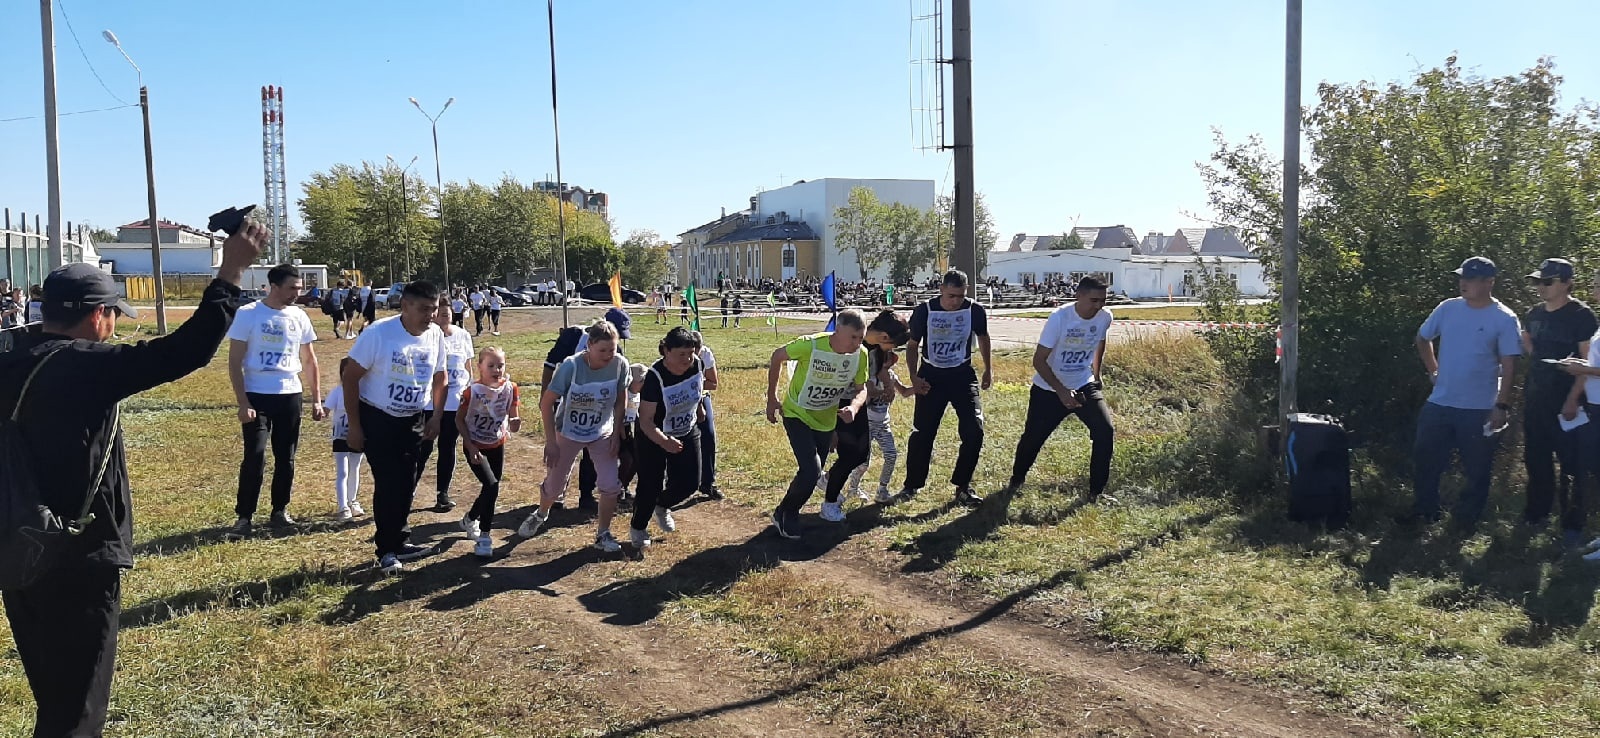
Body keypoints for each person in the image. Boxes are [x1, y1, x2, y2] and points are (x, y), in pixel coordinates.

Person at [0, 221, 263, 737]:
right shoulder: (84, 366)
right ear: (97, 315)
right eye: (113, 314)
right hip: (76, 554)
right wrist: (230, 271)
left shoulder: (12, 358)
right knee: (78, 707)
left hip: (16, 542)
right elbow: (184, 352)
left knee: (54, 692)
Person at [1406, 256, 1522, 530]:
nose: (1463, 283)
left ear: (1489, 282)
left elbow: (1510, 365)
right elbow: (1422, 338)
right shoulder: (1448, 308)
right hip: (1440, 402)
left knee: (1477, 468)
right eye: (1462, 277)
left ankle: (1466, 520)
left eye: (1470, 279)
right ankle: (1425, 511)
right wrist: (1433, 371)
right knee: (1425, 459)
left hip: (1479, 408)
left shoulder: (1504, 318)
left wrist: (1501, 405)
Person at [343, 281, 449, 573]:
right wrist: (354, 426)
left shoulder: (435, 335)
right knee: (389, 482)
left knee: (407, 481)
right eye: (424, 309)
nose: (430, 315)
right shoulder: (379, 334)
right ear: (405, 306)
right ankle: (386, 550)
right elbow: (350, 377)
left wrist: (436, 416)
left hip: (413, 418)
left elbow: (440, 377)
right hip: (379, 417)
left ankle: (400, 541)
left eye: (434, 309)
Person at [225, 264, 324, 540]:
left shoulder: (299, 316)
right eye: (292, 288)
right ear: (274, 286)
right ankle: (244, 517)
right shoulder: (249, 314)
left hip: (289, 394)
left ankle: (279, 510)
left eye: (299, 288)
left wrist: (316, 399)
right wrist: (243, 402)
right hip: (257, 394)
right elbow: (234, 361)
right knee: (255, 455)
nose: (297, 293)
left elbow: (309, 360)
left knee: (286, 457)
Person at [518, 322, 630, 551]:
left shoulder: (620, 365)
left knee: (610, 485)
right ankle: (541, 513)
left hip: (601, 432)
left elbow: (621, 399)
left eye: (612, 349)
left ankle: (603, 534)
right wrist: (551, 442)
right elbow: (546, 403)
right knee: (555, 487)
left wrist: (617, 432)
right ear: (589, 345)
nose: (608, 355)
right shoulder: (571, 366)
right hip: (569, 431)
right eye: (602, 350)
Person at [1005, 276, 1115, 500]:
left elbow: (1099, 342)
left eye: (1103, 300)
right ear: (1079, 296)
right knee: (1033, 438)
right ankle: (1016, 481)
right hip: (1048, 388)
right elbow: (1038, 361)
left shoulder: (1105, 317)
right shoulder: (1060, 318)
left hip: (1083, 383)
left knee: (1105, 431)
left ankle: (1096, 492)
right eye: (1094, 300)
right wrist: (1062, 391)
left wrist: (1097, 374)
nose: (1098, 306)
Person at [766, 309, 870, 538]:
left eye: (861, 338)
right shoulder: (810, 345)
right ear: (838, 330)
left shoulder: (860, 355)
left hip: (825, 421)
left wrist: (854, 407)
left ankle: (783, 511)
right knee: (812, 470)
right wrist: (772, 398)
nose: (857, 343)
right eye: (853, 337)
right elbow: (777, 356)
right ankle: (788, 513)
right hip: (796, 413)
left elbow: (862, 389)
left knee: (811, 474)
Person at [1518, 258, 1597, 546]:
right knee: (1535, 458)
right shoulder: (1535, 312)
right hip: (1536, 397)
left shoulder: (1582, 316)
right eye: (1538, 282)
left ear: (1566, 283)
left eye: (1547, 282)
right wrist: (1534, 353)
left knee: (1571, 465)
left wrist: (1573, 398)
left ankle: (1571, 525)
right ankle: (1536, 514)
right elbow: (1527, 338)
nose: (1541, 287)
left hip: (1567, 402)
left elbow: (1587, 362)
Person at [897, 269, 992, 507]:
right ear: (941, 290)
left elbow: (983, 337)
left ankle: (963, 486)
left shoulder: (974, 310)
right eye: (951, 296)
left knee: (974, 430)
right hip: (931, 376)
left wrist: (988, 369)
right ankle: (912, 485)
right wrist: (913, 377)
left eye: (960, 296)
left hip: (962, 375)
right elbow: (912, 345)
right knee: (923, 432)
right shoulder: (925, 311)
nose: (955, 301)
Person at [628, 327, 705, 549]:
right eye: (681, 354)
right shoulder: (654, 378)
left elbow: (696, 388)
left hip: (686, 428)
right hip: (652, 434)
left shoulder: (697, 365)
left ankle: (662, 505)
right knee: (650, 484)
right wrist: (664, 441)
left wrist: (699, 408)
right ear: (666, 351)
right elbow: (645, 420)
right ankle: (638, 527)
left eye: (690, 353)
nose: (687, 359)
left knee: (691, 483)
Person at [458, 346, 523, 557]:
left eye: (500, 365)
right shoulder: (472, 392)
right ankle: (484, 537)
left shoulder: (510, 388)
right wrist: (470, 445)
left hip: (496, 444)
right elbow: (459, 419)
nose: (497, 370)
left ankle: (470, 519)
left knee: (491, 487)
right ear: (480, 367)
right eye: (491, 365)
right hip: (475, 445)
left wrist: (515, 422)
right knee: (491, 485)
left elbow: (513, 415)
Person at [845, 311, 915, 502]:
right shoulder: (858, 347)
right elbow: (862, 386)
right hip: (862, 419)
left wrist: (893, 385)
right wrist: (880, 392)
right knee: (861, 461)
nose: (891, 353)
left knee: (890, 455)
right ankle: (846, 487)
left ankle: (881, 490)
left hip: (882, 423)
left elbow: (900, 387)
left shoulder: (878, 354)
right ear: (884, 337)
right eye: (892, 347)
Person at [417, 293, 475, 512]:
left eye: (447, 311)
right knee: (423, 447)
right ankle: (407, 489)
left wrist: (470, 392)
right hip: (429, 404)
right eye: (439, 312)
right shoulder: (425, 336)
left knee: (447, 447)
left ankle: (442, 494)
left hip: (454, 403)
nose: (444, 315)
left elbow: (468, 367)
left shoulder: (462, 335)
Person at [323, 358, 367, 521]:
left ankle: (352, 501)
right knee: (343, 471)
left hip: (358, 435)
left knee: (354, 468)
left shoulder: (364, 392)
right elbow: (326, 409)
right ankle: (343, 507)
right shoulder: (337, 392)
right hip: (340, 436)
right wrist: (321, 411)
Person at [695, 333, 723, 500]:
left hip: (701, 395)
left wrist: (695, 382)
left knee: (709, 436)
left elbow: (713, 383)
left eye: (697, 350)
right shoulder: (677, 355)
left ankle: (707, 482)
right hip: (681, 398)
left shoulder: (705, 354)